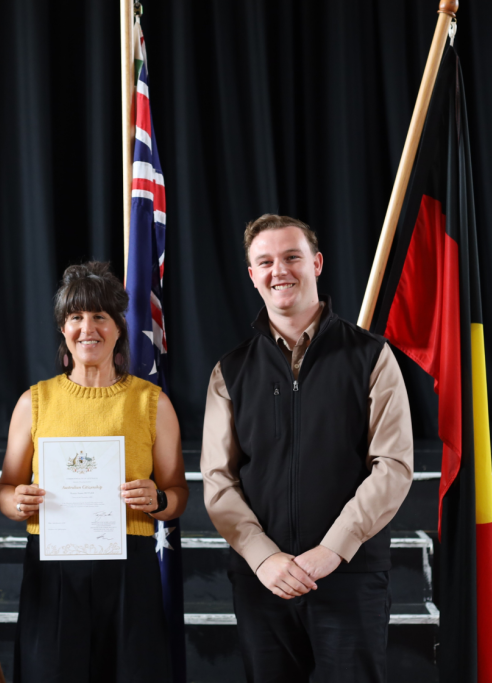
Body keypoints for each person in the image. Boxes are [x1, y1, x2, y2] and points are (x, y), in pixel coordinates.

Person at [201, 215, 414, 682]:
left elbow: (393, 467)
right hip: (264, 583)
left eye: (292, 257)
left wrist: (333, 550)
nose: (280, 270)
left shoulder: (372, 356)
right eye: (266, 261)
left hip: (350, 576)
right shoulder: (230, 371)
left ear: (316, 263)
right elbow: (219, 481)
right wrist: (263, 557)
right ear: (252, 275)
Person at [0, 261, 188, 683]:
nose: (88, 328)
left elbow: (177, 493)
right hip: (54, 568)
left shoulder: (152, 402)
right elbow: (7, 490)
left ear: (118, 327)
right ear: (63, 329)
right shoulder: (35, 401)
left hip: (129, 567)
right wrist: (18, 500)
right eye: (76, 317)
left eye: (100, 316)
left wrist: (157, 500)